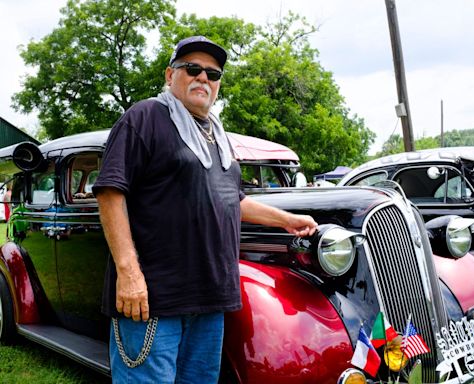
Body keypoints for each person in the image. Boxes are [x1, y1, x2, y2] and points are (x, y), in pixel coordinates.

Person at [93, 35, 317, 384]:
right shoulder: (146, 116)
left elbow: (232, 199)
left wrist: (286, 219)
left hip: (210, 298)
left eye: (212, 74)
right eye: (192, 69)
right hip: (154, 299)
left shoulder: (218, 137)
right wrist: (129, 273)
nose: (203, 78)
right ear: (170, 75)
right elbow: (110, 190)